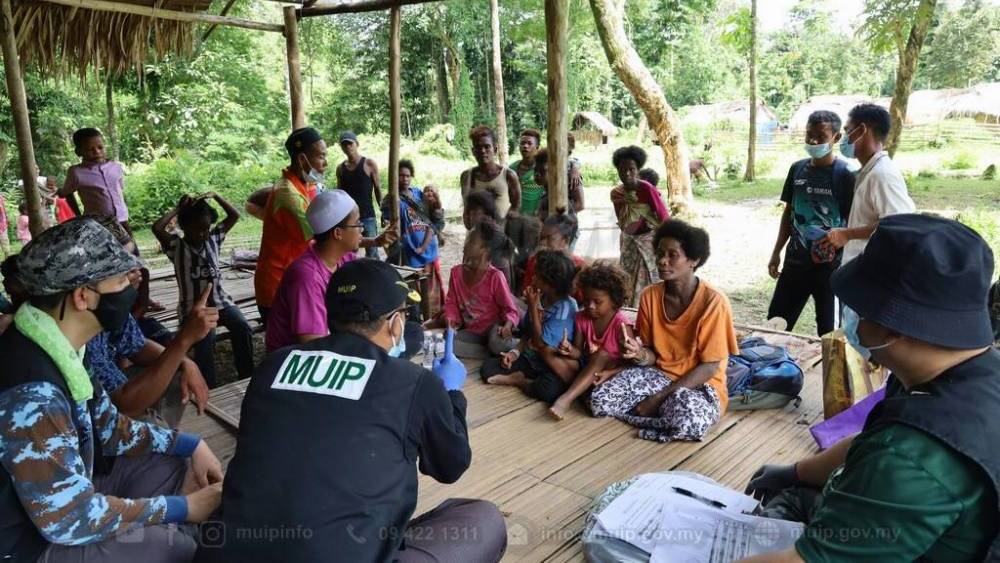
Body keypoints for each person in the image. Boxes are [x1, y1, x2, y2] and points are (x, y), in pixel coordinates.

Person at [197, 260, 507, 563]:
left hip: (224, 552)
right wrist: (452, 394)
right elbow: (450, 466)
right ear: (395, 323)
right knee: (484, 520)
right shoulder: (415, 383)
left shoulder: (274, 364)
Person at [743, 214, 1000, 563]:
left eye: (859, 309)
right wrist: (797, 471)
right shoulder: (961, 371)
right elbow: (871, 436)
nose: (853, 321)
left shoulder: (908, 458)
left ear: (894, 327)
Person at [0, 218, 223, 562]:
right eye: (120, 281)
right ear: (82, 296)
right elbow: (68, 517)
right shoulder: (32, 394)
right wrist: (180, 508)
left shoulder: (68, 346)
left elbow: (110, 428)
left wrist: (191, 443)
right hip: (29, 544)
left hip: (70, 495)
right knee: (171, 547)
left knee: (172, 463)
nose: (130, 288)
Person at [590, 219, 738, 443]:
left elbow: (709, 367)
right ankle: (661, 422)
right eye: (659, 253)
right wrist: (639, 355)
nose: (662, 261)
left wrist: (657, 399)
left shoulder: (713, 302)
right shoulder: (650, 296)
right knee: (599, 401)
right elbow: (652, 354)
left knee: (691, 422)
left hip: (699, 386)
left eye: (672, 255)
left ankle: (654, 415)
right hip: (658, 376)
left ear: (694, 260)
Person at [85, 215, 212, 424]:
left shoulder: (108, 304)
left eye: (133, 258)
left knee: (174, 370)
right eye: (124, 265)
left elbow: (137, 345)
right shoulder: (80, 331)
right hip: (90, 425)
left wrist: (186, 361)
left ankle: (159, 435)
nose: (136, 273)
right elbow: (123, 403)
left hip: (111, 402)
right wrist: (184, 342)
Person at [767, 110, 855, 336]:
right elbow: (789, 213)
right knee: (775, 325)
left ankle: (829, 372)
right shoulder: (797, 169)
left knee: (830, 335)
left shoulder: (846, 175)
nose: (813, 141)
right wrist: (776, 251)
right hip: (795, 263)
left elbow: (853, 223)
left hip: (830, 270)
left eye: (820, 136)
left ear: (835, 138)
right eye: (809, 135)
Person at [153, 193, 254, 386]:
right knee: (205, 342)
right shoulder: (176, 246)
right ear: (185, 227)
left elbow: (234, 215)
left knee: (243, 328)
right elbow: (157, 227)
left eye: (206, 228)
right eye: (198, 229)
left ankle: (247, 375)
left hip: (221, 302)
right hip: (193, 309)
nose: (204, 233)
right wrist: (178, 208)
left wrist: (216, 196)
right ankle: (209, 385)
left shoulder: (213, 239)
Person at [265, 190, 363, 352]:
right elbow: (312, 343)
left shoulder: (345, 259)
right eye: (358, 223)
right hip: (292, 361)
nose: (361, 229)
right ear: (338, 233)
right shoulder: (306, 276)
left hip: (329, 342)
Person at [820, 103, 915, 264]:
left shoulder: (882, 174)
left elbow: (900, 226)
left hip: (875, 273)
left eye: (847, 130)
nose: (844, 138)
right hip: (860, 268)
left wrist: (848, 234)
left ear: (862, 130)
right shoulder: (869, 171)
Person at [481, 249, 579, 400]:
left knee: (548, 391)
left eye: (538, 276)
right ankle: (522, 376)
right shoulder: (542, 296)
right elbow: (528, 332)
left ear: (550, 285)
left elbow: (541, 343)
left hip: (551, 365)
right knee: (487, 368)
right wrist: (514, 354)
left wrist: (533, 307)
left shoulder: (565, 309)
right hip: (531, 358)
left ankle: (519, 381)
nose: (533, 278)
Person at [252, 127, 327, 324]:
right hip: (278, 286)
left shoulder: (309, 184)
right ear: (302, 160)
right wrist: (369, 241)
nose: (325, 164)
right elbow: (323, 235)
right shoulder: (288, 194)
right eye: (320, 157)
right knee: (288, 349)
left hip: (297, 280)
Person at [548, 261, 633, 421]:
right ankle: (581, 391)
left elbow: (631, 363)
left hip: (613, 374)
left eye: (597, 302)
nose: (591, 306)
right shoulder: (581, 317)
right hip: (589, 369)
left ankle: (566, 399)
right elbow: (579, 352)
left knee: (601, 355)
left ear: (614, 300)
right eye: (586, 301)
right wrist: (569, 350)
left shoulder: (621, 323)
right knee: (552, 355)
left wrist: (610, 373)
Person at [426, 222, 519, 359]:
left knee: (495, 342)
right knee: (448, 340)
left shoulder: (495, 277)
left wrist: (507, 325)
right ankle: (491, 353)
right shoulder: (456, 273)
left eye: (472, 241)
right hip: (472, 332)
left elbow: (509, 309)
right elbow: (451, 303)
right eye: (468, 238)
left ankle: (511, 346)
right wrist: (451, 320)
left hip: (493, 331)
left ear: (485, 250)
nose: (466, 242)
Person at [610, 145, 671, 307]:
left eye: (632, 169)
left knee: (649, 279)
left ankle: (647, 309)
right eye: (622, 169)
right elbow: (624, 223)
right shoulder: (616, 193)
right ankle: (630, 312)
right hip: (630, 242)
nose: (627, 173)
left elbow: (663, 216)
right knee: (626, 278)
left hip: (649, 242)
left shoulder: (647, 188)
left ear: (638, 170)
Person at [58, 128, 133, 236]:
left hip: (122, 219)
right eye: (90, 149)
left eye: (100, 147)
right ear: (78, 152)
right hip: (99, 224)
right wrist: (78, 215)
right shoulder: (76, 172)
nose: (97, 152)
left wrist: (124, 210)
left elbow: (119, 191)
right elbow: (66, 193)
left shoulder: (116, 167)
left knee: (133, 250)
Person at [335, 131, 383, 258]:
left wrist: (383, 211)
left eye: (350, 143)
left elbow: (377, 189)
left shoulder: (369, 164)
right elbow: (340, 194)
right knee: (349, 251)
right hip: (349, 218)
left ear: (357, 144)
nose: (348, 147)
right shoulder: (341, 169)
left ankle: (374, 277)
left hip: (368, 216)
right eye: (344, 145)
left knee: (372, 251)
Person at [523, 212, 586, 303]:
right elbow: (527, 292)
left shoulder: (579, 267)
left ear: (565, 240)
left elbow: (585, 303)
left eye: (549, 238)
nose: (543, 243)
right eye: (542, 238)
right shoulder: (534, 262)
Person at [460, 125, 521, 218]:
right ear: (473, 151)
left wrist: (503, 226)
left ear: (495, 149)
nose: (483, 151)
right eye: (478, 147)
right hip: (477, 231)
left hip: (502, 231)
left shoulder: (509, 175)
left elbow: (516, 207)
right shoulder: (467, 176)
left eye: (487, 146)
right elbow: (466, 208)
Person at [463, 190, 516, 286]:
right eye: (470, 213)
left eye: (475, 213)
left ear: (487, 214)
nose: (470, 217)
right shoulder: (478, 231)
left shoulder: (493, 234)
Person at [512, 128, 545, 216]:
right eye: (522, 143)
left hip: (535, 220)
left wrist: (574, 167)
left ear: (537, 147)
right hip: (515, 219)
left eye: (529, 143)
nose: (525, 146)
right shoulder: (512, 168)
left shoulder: (543, 169)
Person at [0, 192, 9, 258]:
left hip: (2, 225)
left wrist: (6, 217)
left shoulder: (0, 197)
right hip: (2, 224)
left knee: (5, 242)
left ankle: (7, 259)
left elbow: (3, 208)